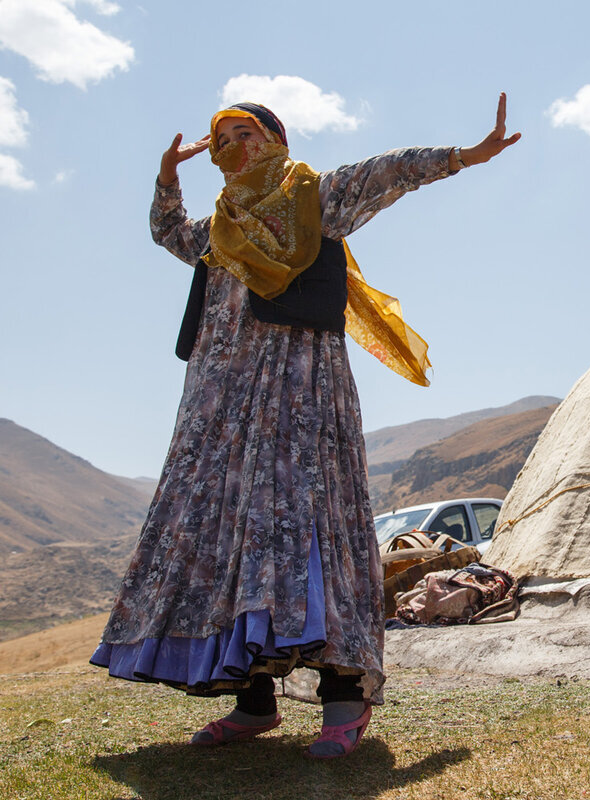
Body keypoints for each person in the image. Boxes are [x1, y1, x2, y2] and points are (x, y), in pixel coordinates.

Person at [90, 96, 520, 758]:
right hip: (220, 409)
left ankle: (345, 696)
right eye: (222, 138)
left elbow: (387, 171)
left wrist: (465, 155)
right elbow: (167, 232)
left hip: (300, 399)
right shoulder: (217, 228)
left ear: (275, 138)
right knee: (237, 538)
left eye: (247, 133)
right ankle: (253, 700)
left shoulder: (314, 198)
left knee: (313, 527)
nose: (234, 146)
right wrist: (167, 179)